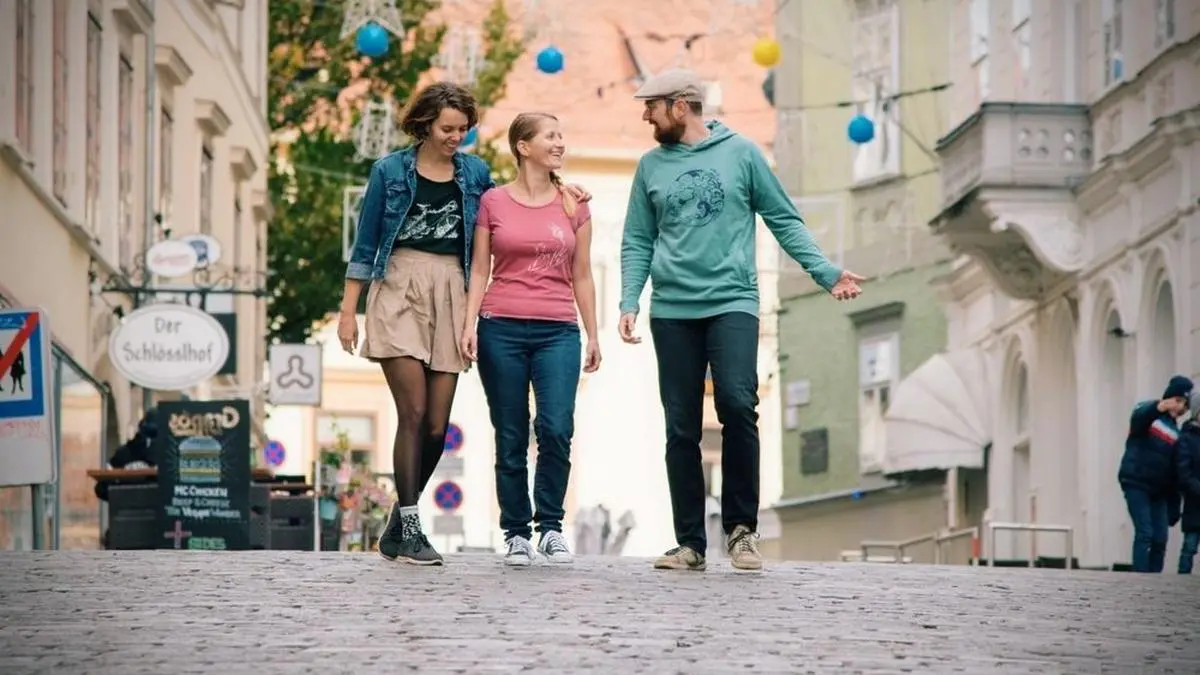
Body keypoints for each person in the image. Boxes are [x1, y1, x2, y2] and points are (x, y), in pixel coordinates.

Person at [618, 69, 863, 572]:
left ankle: (742, 532)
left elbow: (783, 218)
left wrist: (825, 272)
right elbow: (638, 240)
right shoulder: (650, 167)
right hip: (673, 309)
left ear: (681, 106)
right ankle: (689, 543)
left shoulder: (743, 154)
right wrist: (629, 300)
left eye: (652, 106)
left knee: (736, 402)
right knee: (681, 425)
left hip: (732, 300)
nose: (645, 115)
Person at [338, 83, 591, 566]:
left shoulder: (475, 173)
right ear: (425, 125)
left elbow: (521, 199)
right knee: (411, 413)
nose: (456, 138)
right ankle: (412, 525)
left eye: (463, 130)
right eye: (447, 129)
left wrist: (567, 189)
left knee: (436, 424)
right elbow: (366, 242)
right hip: (398, 285)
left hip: (451, 290)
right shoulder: (389, 170)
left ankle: (397, 523)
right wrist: (350, 310)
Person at [461, 112, 601, 567]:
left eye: (562, 135)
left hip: (558, 330)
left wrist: (593, 333)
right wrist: (468, 325)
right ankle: (517, 532)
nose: (560, 143)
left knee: (557, 428)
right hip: (500, 327)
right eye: (550, 136)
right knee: (512, 433)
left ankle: (551, 527)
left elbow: (582, 274)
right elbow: (479, 269)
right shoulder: (493, 203)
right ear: (523, 146)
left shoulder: (574, 204)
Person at [1118, 374, 1192, 573]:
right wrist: (1157, 407)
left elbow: (1174, 473)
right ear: (1168, 398)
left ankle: (1155, 580)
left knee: (1160, 538)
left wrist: (1175, 506)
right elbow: (1139, 419)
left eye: (1185, 404)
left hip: (1158, 491)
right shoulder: (1148, 412)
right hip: (1136, 481)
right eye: (1177, 401)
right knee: (1145, 533)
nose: (1180, 407)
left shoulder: (1176, 433)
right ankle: (1140, 578)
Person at [1174, 390, 1200, 574]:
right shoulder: (1187, 439)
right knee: (1190, 546)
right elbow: (1183, 472)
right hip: (1195, 504)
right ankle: (1182, 580)